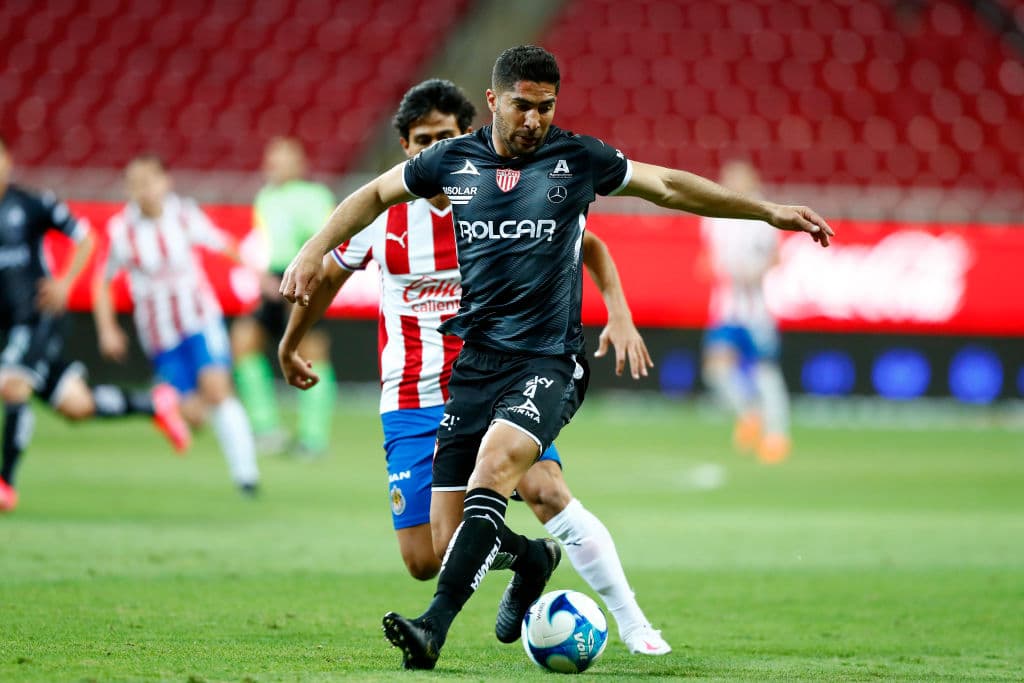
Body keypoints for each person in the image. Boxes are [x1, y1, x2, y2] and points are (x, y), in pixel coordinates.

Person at [280, 46, 833, 670]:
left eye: (546, 107)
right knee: (439, 541)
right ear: (494, 101)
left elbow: (669, 186)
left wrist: (768, 212)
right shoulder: (453, 164)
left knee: (511, 472)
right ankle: (533, 562)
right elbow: (374, 194)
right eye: (523, 105)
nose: (535, 119)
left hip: (547, 362)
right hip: (474, 369)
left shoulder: (577, 159)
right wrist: (311, 249)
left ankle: (436, 628)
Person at [278, 79, 670, 656]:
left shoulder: (502, 192)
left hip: (504, 382)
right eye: (419, 140)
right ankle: (530, 557)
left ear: (467, 136)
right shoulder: (382, 219)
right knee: (423, 558)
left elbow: (591, 246)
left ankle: (634, 622)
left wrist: (619, 311)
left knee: (547, 492)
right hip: (411, 394)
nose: (429, 147)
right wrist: (291, 344)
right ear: (408, 147)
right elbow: (326, 280)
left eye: (443, 136)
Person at [0, 136, 189, 512]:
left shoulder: (30, 203)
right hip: (5, 327)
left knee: (13, 384)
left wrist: (65, 283)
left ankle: (5, 483)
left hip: (37, 317)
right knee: (76, 405)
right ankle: (151, 403)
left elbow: (85, 238)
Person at [94, 154, 259, 495]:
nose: (144, 190)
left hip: (199, 318)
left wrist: (261, 275)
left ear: (165, 182)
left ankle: (246, 477)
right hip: (159, 334)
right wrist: (107, 328)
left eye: (150, 181)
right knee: (194, 414)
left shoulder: (184, 214)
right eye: (136, 183)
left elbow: (223, 243)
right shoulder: (121, 230)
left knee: (217, 389)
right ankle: (174, 410)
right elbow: (102, 281)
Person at [230, 138, 337, 456]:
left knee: (311, 352)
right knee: (244, 340)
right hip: (276, 277)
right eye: (271, 159)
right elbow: (266, 242)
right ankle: (266, 430)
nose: (273, 165)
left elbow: (324, 237)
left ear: (300, 164)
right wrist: (263, 276)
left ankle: (313, 439)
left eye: (281, 159)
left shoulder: (316, 196)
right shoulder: (265, 197)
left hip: (306, 276)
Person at [701, 160, 791, 463]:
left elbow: (777, 258)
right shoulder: (715, 216)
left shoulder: (764, 213)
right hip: (726, 308)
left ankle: (777, 435)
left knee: (766, 371)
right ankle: (749, 413)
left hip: (755, 310)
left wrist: (755, 272)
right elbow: (709, 258)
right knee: (716, 370)